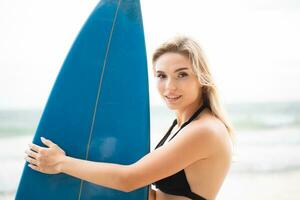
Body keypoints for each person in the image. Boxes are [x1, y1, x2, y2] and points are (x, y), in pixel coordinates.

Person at [25, 36, 233, 200]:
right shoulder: (184, 124)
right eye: (161, 76)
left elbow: (129, 179)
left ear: (202, 78)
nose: (169, 86)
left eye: (182, 74)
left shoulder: (205, 131)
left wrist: (60, 163)